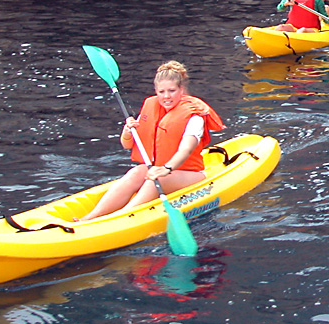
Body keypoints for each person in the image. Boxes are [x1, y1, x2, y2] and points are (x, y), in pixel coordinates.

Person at [81, 61, 226, 221]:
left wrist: (167, 168)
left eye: (171, 91)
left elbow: (186, 149)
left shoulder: (194, 116)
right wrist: (127, 133)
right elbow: (127, 145)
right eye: (161, 91)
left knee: (155, 179)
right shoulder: (152, 107)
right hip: (161, 169)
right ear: (156, 91)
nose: (166, 96)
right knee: (136, 172)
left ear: (181, 90)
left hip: (190, 174)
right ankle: (91, 217)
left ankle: (120, 217)